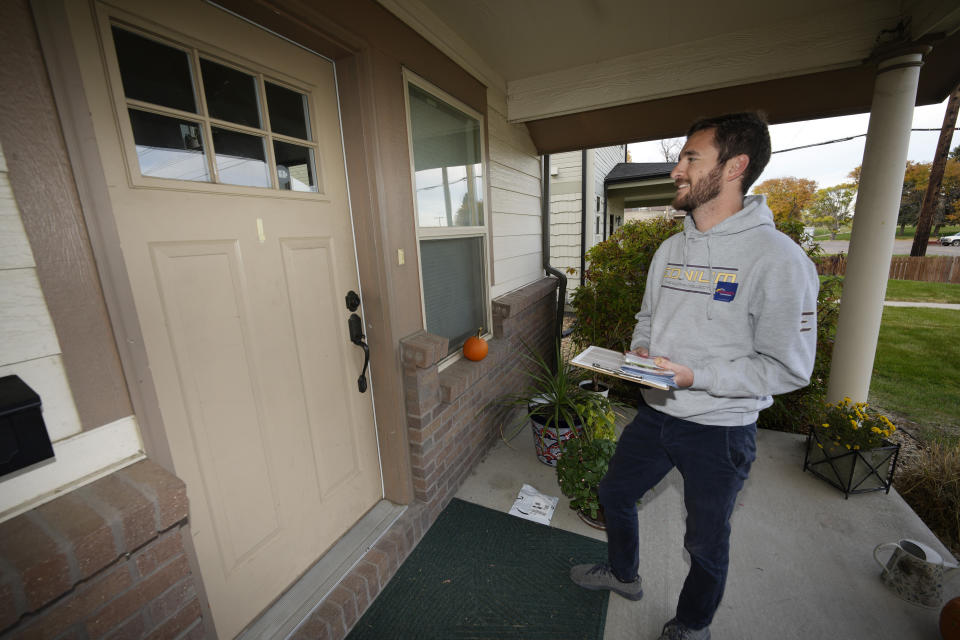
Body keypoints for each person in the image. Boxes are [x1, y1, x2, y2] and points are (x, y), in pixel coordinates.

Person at [570, 112, 819, 640]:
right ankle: (624, 574)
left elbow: (788, 367)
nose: (677, 170)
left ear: (736, 167)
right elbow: (647, 318)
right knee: (615, 493)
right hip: (658, 413)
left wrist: (694, 376)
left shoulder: (779, 261)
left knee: (704, 541)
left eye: (691, 158)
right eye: (681, 158)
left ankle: (691, 625)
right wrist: (640, 350)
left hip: (721, 429)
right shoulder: (669, 249)